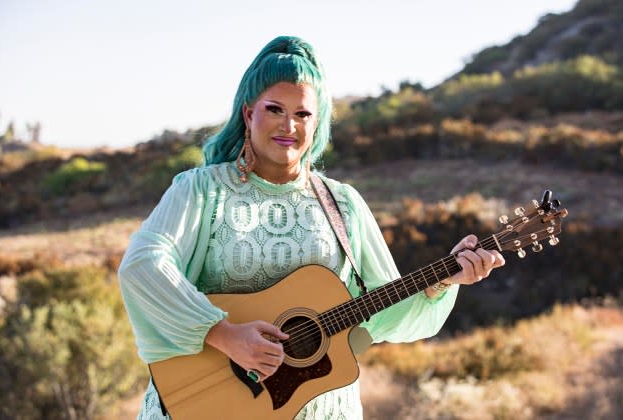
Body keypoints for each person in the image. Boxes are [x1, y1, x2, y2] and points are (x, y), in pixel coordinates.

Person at [118, 35, 505, 420]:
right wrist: (223, 335)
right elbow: (142, 266)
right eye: (274, 109)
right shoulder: (201, 190)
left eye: (302, 114)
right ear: (248, 114)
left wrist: (443, 280)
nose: (289, 125)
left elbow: (384, 315)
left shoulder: (343, 204)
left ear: (317, 123)